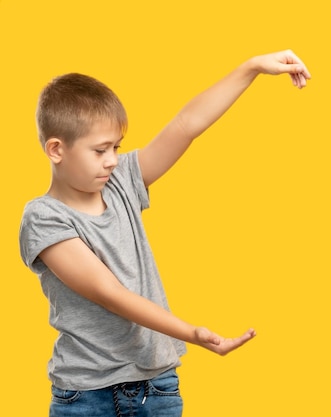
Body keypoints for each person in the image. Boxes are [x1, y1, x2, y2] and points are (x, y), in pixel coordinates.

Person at [18, 49, 311, 417]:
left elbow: (187, 124)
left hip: (156, 389)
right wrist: (189, 332)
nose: (112, 159)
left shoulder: (121, 181)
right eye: (99, 150)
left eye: (116, 147)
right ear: (56, 150)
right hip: (85, 396)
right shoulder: (44, 218)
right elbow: (110, 294)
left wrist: (250, 69)